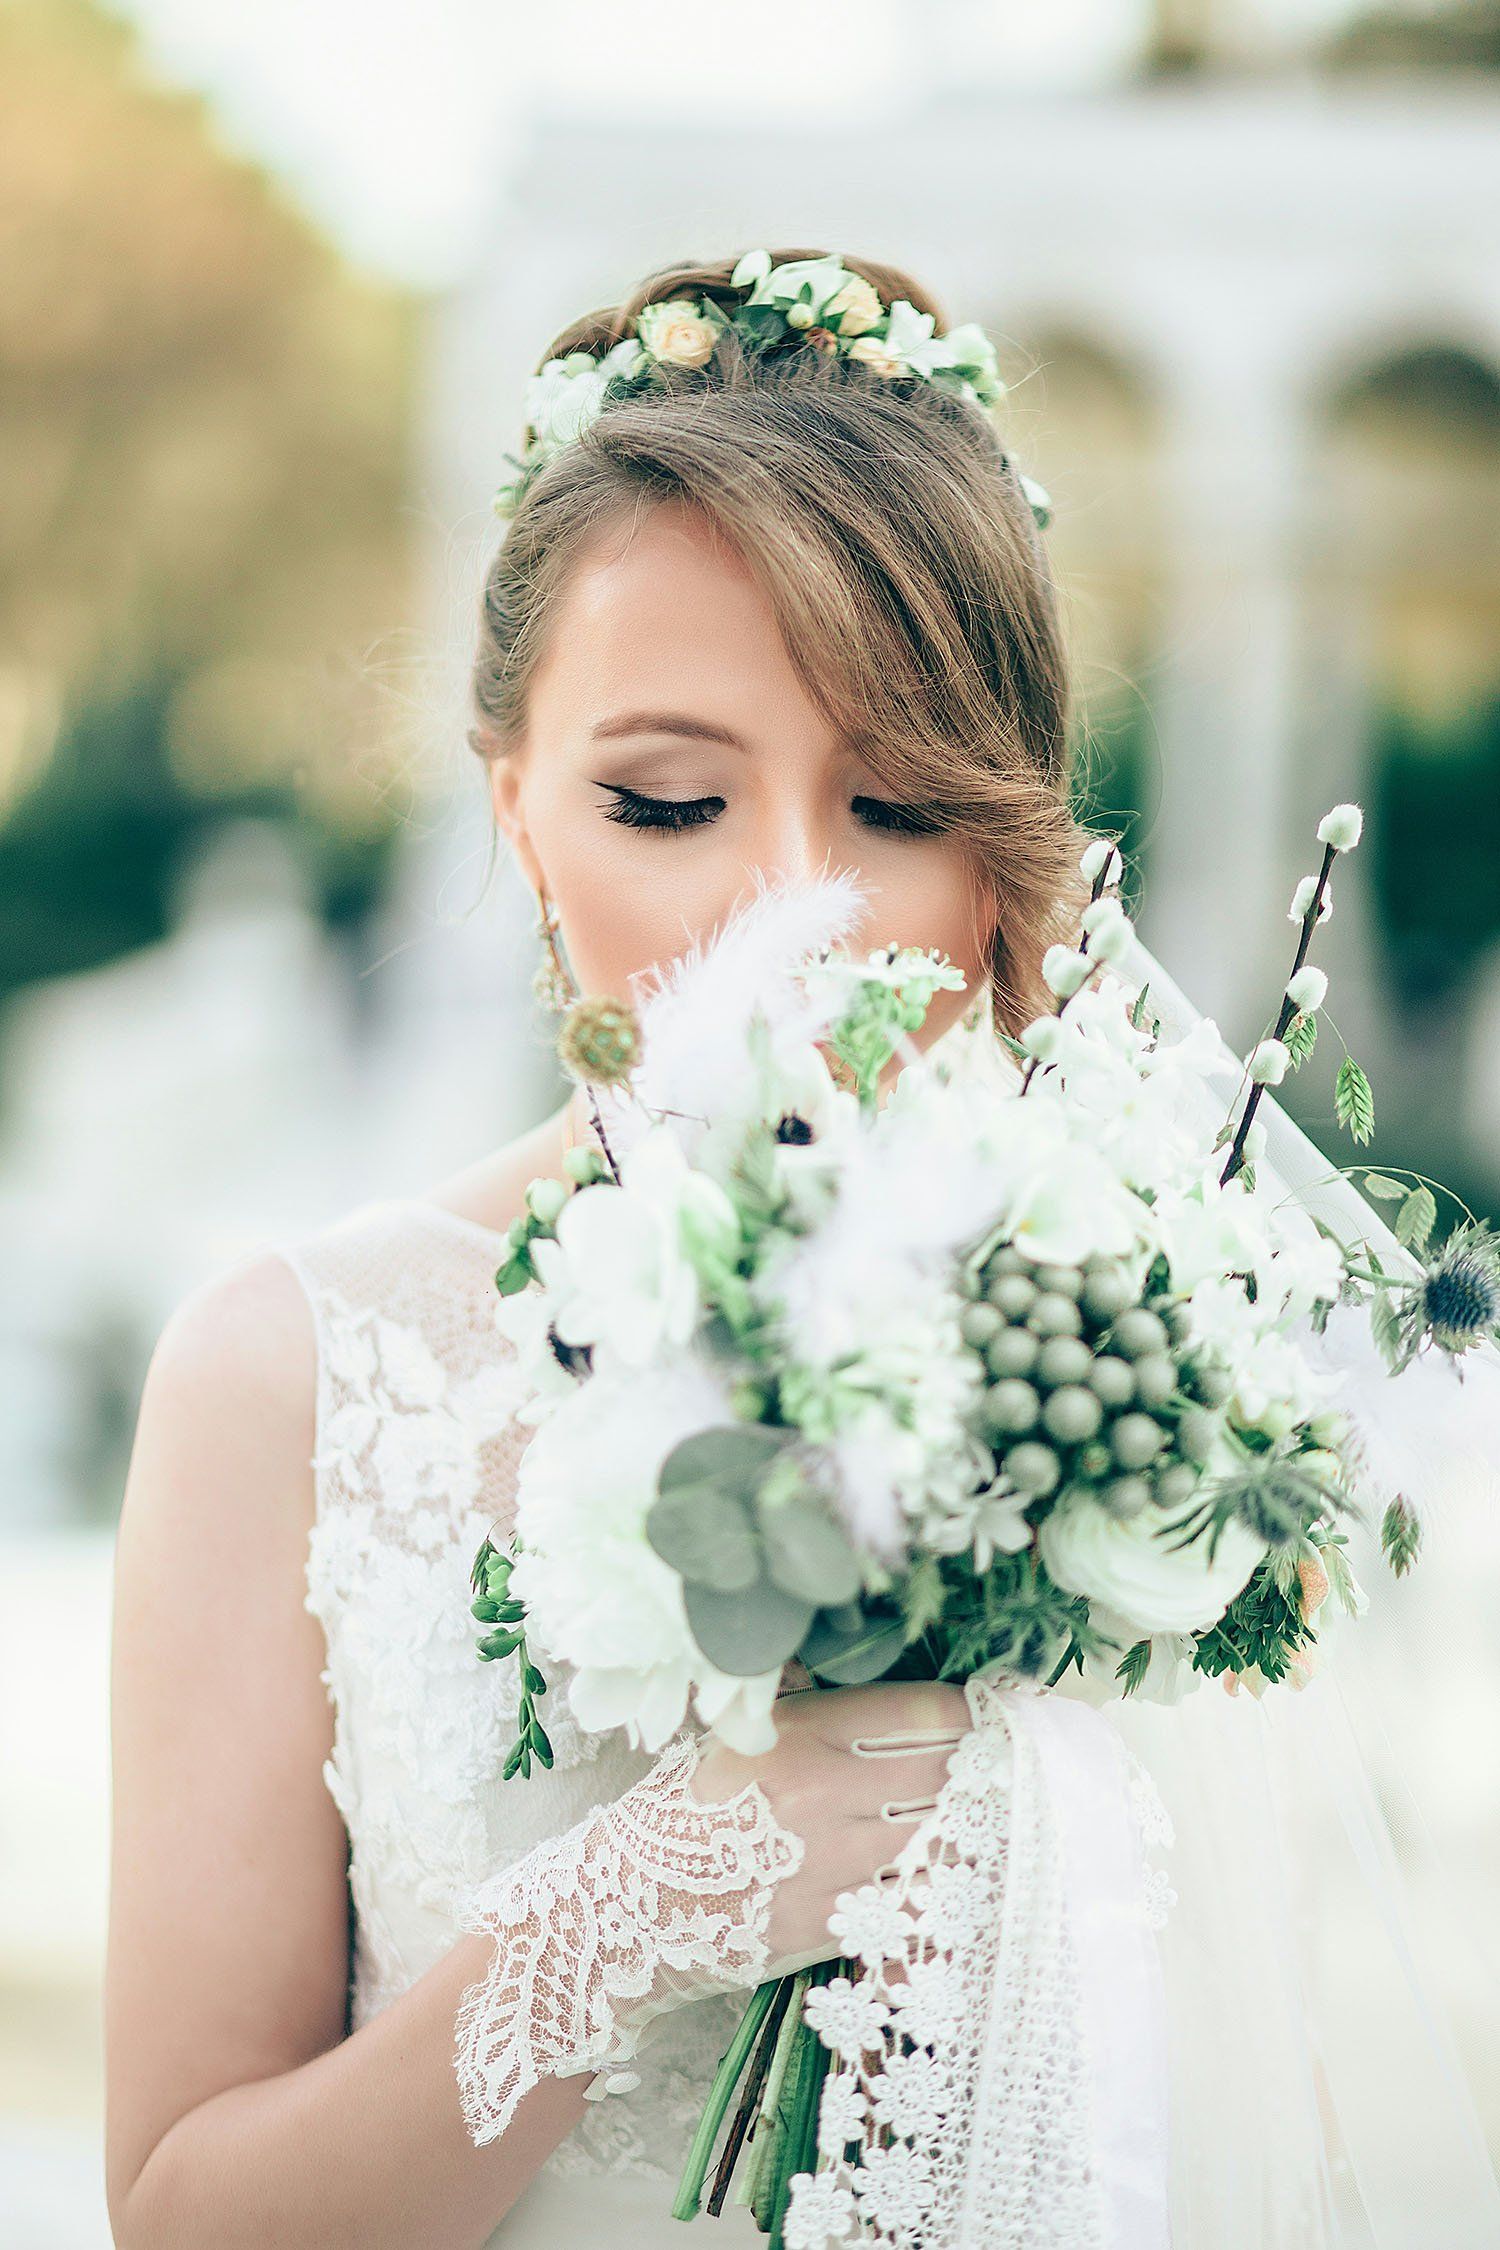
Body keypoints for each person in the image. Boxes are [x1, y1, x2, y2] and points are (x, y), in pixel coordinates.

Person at [103, 244, 1500, 2250]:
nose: (793, 909)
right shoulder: (290, 1378)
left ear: (1013, 850)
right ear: (516, 811)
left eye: (900, 804)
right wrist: (628, 1915)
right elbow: (175, 2211)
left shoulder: (1137, 1349)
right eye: (667, 798)